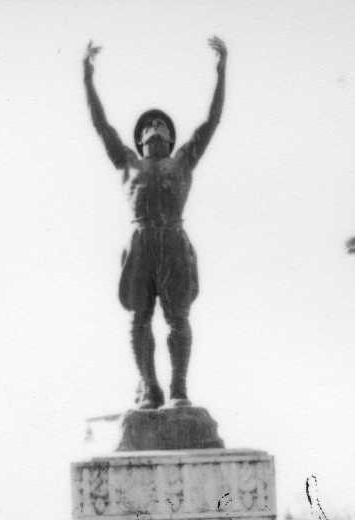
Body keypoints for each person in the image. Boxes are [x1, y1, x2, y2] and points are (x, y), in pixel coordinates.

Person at [83, 36, 227, 410]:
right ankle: (149, 387)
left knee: (178, 317)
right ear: (141, 138)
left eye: (162, 124)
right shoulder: (127, 162)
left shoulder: (183, 160)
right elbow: (101, 124)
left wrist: (221, 71)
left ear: (170, 137)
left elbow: (212, 121)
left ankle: (178, 389)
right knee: (139, 318)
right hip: (141, 238)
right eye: (149, 125)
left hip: (174, 237)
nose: (156, 127)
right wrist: (87, 78)